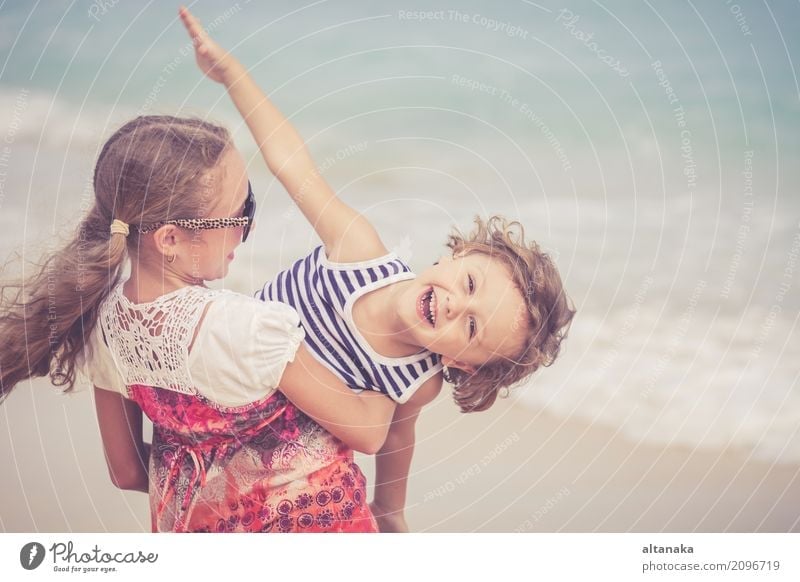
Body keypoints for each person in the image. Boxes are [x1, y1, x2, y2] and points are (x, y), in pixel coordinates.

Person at [179, 5, 576, 532]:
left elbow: (395, 439)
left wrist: (391, 510)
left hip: (266, 454)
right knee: (363, 427)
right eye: (471, 283)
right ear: (456, 255)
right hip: (220, 376)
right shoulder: (359, 252)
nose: (457, 304)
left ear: (467, 366)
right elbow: (292, 163)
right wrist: (233, 75)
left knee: (368, 429)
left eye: (473, 328)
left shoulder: (418, 381)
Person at [0, 113, 398, 532]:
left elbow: (127, 472)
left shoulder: (104, 327)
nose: (250, 225)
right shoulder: (246, 330)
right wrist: (393, 338)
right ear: (169, 239)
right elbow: (368, 431)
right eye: (239, 214)